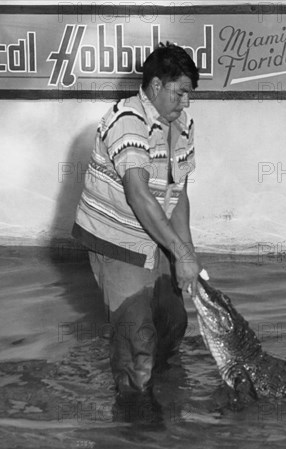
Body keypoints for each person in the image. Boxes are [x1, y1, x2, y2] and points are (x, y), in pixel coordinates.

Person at [72, 42, 201, 401]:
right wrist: (181, 253)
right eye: (181, 93)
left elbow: (179, 196)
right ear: (156, 86)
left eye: (189, 94)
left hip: (156, 238)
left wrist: (185, 254)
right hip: (119, 242)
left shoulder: (183, 125)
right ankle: (133, 425)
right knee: (138, 339)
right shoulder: (127, 119)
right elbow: (138, 194)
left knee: (172, 324)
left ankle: (163, 397)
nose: (185, 103)